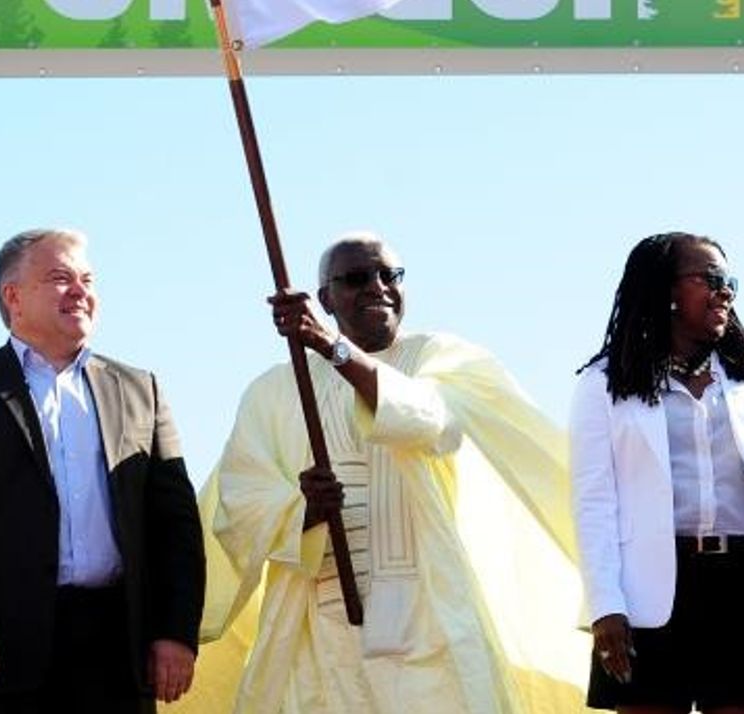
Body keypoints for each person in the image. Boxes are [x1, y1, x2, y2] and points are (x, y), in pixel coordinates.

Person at [197, 232, 586, 713]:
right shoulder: (274, 392)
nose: (378, 287)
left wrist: (330, 346)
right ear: (325, 298)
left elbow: (429, 421)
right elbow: (241, 502)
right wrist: (302, 510)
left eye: (390, 275)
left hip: (432, 617)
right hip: (318, 628)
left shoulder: (441, 358)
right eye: (358, 278)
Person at [0, 228, 204, 712]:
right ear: (13, 296)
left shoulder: (141, 389)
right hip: (2, 654)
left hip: (117, 654)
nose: (81, 290)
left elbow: (176, 526)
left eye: (88, 278)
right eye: (61, 278)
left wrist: (176, 631)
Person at [568, 231, 744, 714]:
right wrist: (606, 605)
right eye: (710, 278)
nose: (725, 290)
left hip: (742, 584)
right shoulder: (604, 383)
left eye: (730, 280)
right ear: (666, 289)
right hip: (650, 591)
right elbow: (594, 503)